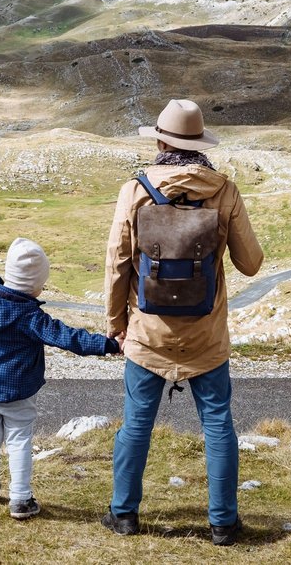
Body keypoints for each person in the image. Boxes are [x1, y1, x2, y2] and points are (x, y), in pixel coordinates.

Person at [101, 99, 263, 546]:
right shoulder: (224, 190)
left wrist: (118, 323)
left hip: (147, 336)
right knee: (217, 426)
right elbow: (251, 263)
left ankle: (124, 514)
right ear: (200, 145)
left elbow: (117, 264)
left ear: (159, 141)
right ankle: (224, 524)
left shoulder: (134, 191)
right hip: (207, 336)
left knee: (136, 425)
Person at [0, 237, 119, 520]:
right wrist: (108, 345)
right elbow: (66, 337)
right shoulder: (29, 314)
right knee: (18, 442)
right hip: (16, 390)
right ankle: (20, 500)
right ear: (34, 285)